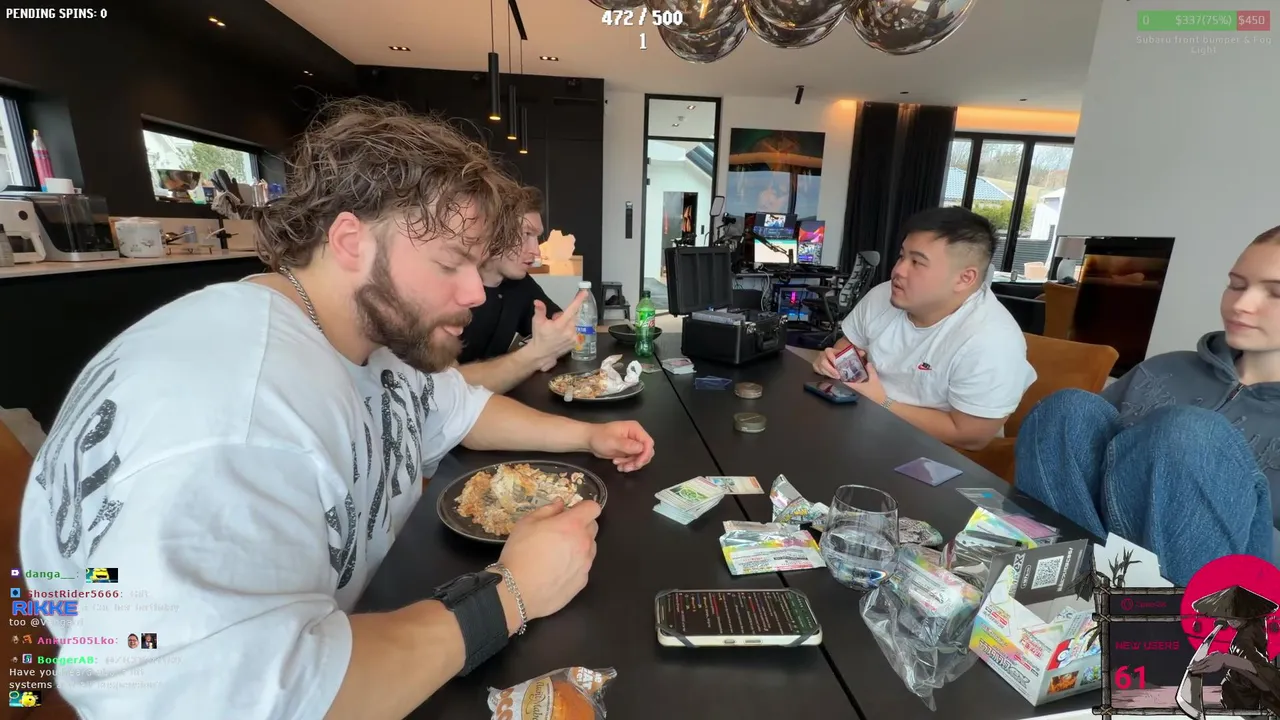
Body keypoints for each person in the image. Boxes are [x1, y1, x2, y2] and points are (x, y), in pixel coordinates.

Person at [19, 100, 655, 719]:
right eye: (450, 263)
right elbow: (216, 697)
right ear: (351, 240)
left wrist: (588, 438)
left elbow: (458, 411)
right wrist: (510, 594)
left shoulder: (371, 335)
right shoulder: (238, 417)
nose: (474, 290)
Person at [1015, 227, 1280, 585]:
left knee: (1188, 433)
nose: (1241, 304)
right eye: (1236, 285)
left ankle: (1160, 614)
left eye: (1276, 293)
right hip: (1110, 565)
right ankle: (1065, 587)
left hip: (1238, 592)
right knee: (1066, 409)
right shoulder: (1166, 368)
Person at [812, 207, 1036, 450]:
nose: (898, 270)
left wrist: (883, 403)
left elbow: (971, 436)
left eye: (917, 262)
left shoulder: (992, 340)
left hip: (937, 455)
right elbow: (846, 346)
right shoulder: (883, 296)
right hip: (861, 425)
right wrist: (833, 361)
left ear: (965, 278)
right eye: (901, 256)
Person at [458, 187, 582, 394]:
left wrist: (561, 331)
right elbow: (445, 387)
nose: (536, 250)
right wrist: (534, 355)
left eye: (536, 237)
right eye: (526, 234)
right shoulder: (449, 293)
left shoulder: (519, 284)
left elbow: (556, 323)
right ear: (492, 232)